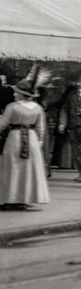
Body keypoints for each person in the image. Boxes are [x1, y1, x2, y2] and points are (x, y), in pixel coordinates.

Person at [1, 69, 49, 210]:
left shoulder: (12, 107)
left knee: (12, 168)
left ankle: (10, 199)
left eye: (16, 92)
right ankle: (26, 198)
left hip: (14, 138)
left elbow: (2, 125)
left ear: (22, 94)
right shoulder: (38, 108)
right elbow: (41, 128)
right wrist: (39, 142)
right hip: (32, 139)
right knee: (29, 170)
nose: (14, 93)